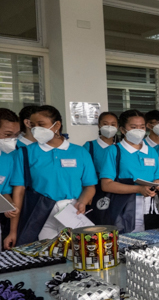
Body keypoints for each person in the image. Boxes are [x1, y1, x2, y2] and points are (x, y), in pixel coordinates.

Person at [5, 105, 97, 247]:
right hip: (39, 212)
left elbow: (89, 186)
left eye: (41, 125)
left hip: (72, 211)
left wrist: (82, 202)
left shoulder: (80, 152)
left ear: (57, 125)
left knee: (76, 253)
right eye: (33, 125)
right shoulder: (25, 153)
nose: (36, 129)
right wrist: (13, 231)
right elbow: (19, 191)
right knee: (44, 257)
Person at [99, 110, 159, 233]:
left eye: (142, 127)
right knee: (126, 244)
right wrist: (139, 189)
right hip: (124, 206)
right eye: (133, 127)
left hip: (150, 206)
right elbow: (106, 184)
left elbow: (157, 177)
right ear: (122, 130)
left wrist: (156, 184)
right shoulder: (114, 151)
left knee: (150, 242)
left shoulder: (151, 152)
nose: (138, 130)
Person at [0, 109, 20, 250]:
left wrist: (9, 206)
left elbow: (5, 190)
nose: (11, 140)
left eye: (16, 135)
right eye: (7, 135)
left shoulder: (8, 157)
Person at [85, 112, 119, 176]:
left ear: (117, 127)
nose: (109, 127)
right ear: (99, 125)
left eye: (113, 124)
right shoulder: (89, 147)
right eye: (105, 124)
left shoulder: (120, 148)